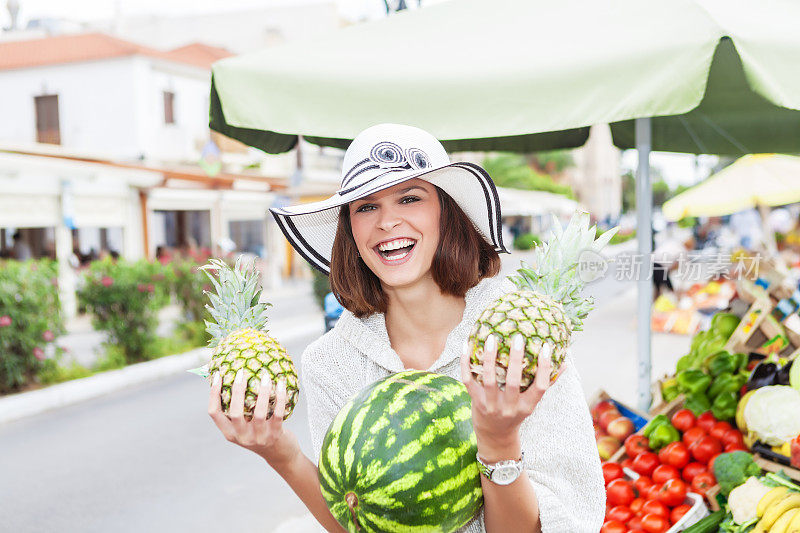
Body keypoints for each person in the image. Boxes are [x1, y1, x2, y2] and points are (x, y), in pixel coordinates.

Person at [207, 124, 604, 532]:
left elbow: (562, 521)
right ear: (351, 229)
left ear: (446, 213)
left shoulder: (518, 335)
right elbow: (360, 522)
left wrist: (500, 442)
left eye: (409, 198)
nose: (386, 222)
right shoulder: (330, 362)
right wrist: (281, 453)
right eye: (365, 206)